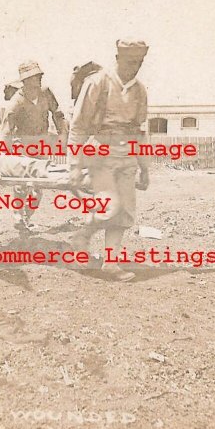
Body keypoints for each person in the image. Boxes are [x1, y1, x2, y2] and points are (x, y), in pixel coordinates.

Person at [67, 39, 151, 282]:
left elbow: (140, 131)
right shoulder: (98, 83)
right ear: (117, 57)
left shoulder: (139, 90)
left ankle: (110, 264)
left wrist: (144, 169)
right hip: (99, 153)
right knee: (108, 206)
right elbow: (78, 126)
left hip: (127, 155)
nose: (133, 67)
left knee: (124, 211)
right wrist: (74, 165)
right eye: (129, 62)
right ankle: (83, 234)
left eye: (138, 63)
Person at [0, 60, 68, 235]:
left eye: (38, 76)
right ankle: (17, 216)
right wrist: (4, 154)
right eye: (32, 78)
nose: (36, 80)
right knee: (22, 185)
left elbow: (58, 113)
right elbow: (6, 129)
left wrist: (62, 134)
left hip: (42, 146)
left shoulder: (46, 93)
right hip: (22, 147)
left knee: (38, 188)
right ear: (24, 81)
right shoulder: (17, 101)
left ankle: (27, 218)